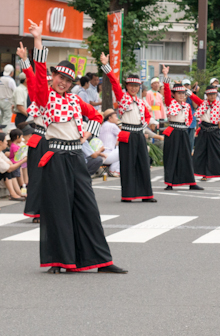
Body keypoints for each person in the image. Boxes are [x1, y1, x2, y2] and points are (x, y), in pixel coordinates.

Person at [16, 24, 126, 274]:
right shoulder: (45, 98)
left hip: (76, 156)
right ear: (53, 77)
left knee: (88, 207)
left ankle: (101, 260)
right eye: (59, 78)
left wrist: (88, 134)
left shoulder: (76, 100)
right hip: (55, 157)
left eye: (67, 80)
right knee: (58, 209)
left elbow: (98, 116)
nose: (63, 83)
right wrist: (38, 40)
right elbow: (38, 73)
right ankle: (59, 259)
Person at [101, 58, 156, 203]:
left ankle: (146, 194)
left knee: (143, 163)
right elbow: (114, 82)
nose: (134, 88)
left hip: (138, 133)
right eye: (131, 85)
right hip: (127, 133)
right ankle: (128, 194)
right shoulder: (122, 97)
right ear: (126, 86)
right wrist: (106, 66)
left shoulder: (140, 101)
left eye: (136, 86)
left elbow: (147, 115)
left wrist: (144, 126)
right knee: (128, 164)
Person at [159, 65, 202, 191]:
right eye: (179, 93)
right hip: (173, 131)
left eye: (183, 93)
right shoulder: (170, 102)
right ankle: (170, 182)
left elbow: (198, 104)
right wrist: (166, 76)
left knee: (187, 157)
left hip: (183, 131)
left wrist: (190, 92)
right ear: (174, 94)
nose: (182, 95)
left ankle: (191, 182)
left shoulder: (187, 105)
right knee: (171, 157)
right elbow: (166, 91)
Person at [192, 84, 220, 182]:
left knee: (218, 152)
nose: (212, 96)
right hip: (203, 130)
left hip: (214, 130)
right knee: (201, 152)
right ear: (207, 96)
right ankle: (203, 174)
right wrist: (187, 90)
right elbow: (193, 97)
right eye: (210, 94)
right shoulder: (203, 103)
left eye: (214, 94)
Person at [0, 131, 27, 200]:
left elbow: (9, 161)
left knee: (21, 180)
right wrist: (23, 160)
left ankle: (19, 193)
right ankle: (18, 193)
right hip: (15, 166)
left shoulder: (2, 153)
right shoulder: (14, 147)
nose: (6, 142)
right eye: (6, 140)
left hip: (14, 165)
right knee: (21, 181)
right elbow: (15, 159)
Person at [0, 64, 15, 130]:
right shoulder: (11, 80)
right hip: (7, 102)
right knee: (7, 119)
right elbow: (15, 91)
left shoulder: (0, 79)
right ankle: (3, 135)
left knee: (1, 118)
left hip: (0, 100)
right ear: (11, 72)